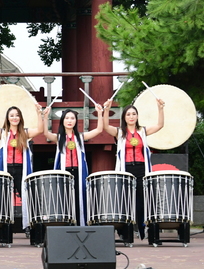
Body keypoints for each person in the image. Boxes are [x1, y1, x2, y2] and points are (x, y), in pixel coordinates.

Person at [103, 97, 165, 241]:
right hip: (125, 170)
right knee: (127, 201)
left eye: (134, 114)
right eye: (128, 114)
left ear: (137, 116)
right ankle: (127, 231)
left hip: (142, 170)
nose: (131, 117)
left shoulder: (142, 131)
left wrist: (160, 108)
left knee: (143, 200)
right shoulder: (119, 132)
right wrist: (107, 109)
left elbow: (160, 125)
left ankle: (145, 228)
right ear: (124, 117)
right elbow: (106, 126)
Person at [0, 104, 43, 229]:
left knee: (28, 197)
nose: (14, 118)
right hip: (6, 169)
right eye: (12, 115)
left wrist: (39, 113)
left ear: (20, 117)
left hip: (22, 169)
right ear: (7, 118)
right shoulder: (3, 133)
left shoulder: (25, 133)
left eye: (17, 115)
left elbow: (40, 130)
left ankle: (32, 228)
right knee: (2, 198)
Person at [42, 104, 104, 226]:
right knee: (64, 198)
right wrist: (45, 117)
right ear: (62, 121)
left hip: (79, 171)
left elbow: (99, 130)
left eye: (72, 118)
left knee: (79, 197)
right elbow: (46, 133)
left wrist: (100, 113)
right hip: (64, 172)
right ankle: (65, 224)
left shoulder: (80, 137)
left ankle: (80, 222)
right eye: (67, 118)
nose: (70, 121)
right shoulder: (59, 137)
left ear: (76, 121)